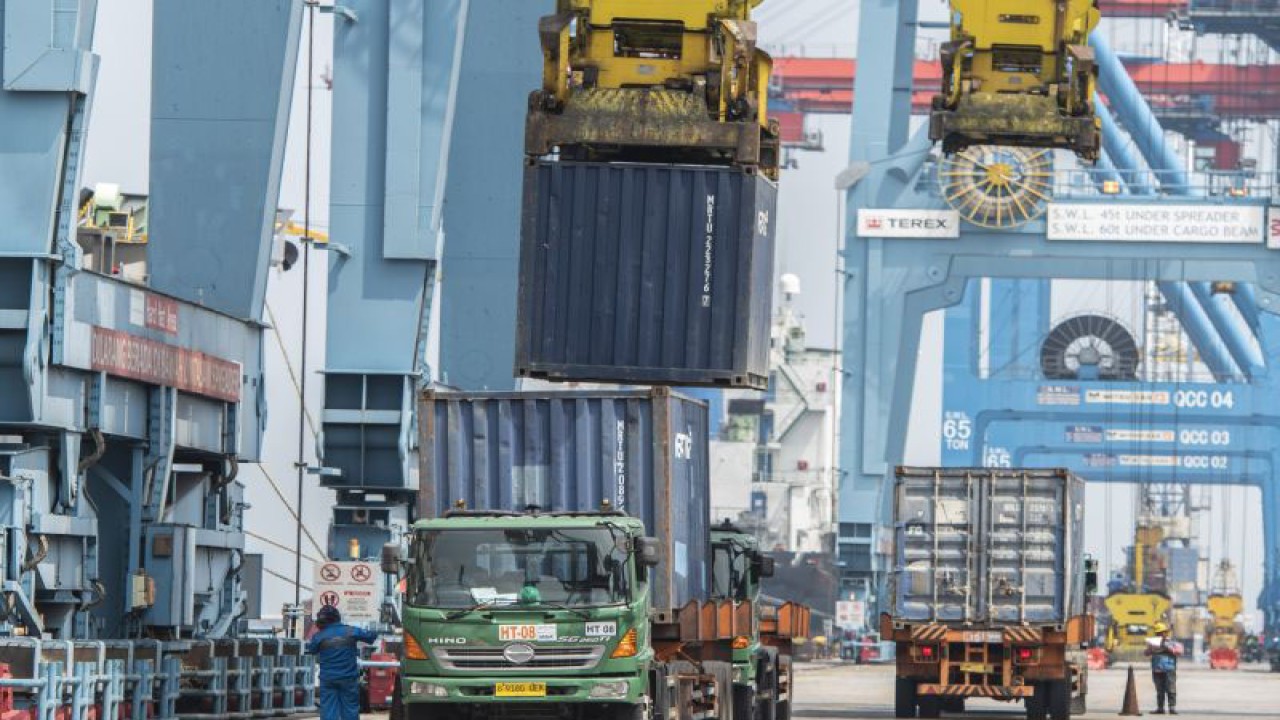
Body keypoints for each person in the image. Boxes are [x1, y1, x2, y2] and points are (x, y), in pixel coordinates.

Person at [307, 605, 379, 720]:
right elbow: (371, 636)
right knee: (350, 709)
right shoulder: (351, 630)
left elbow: (310, 649)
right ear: (337, 617)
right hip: (348, 679)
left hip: (328, 680)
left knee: (328, 711)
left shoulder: (318, 636)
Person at [1144, 622, 1182, 715]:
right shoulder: (1154, 643)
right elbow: (1145, 653)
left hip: (1169, 669)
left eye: (1161, 633)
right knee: (1159, 690)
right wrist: (1151, 649)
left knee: (1171, 689)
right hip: (1157, 670)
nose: (1159, 635)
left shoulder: (1172, 642)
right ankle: (1160, 708)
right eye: (1157, 633)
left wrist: (1168, 648)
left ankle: (1172, 708)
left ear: (1166, 633)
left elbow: (1179, 651)